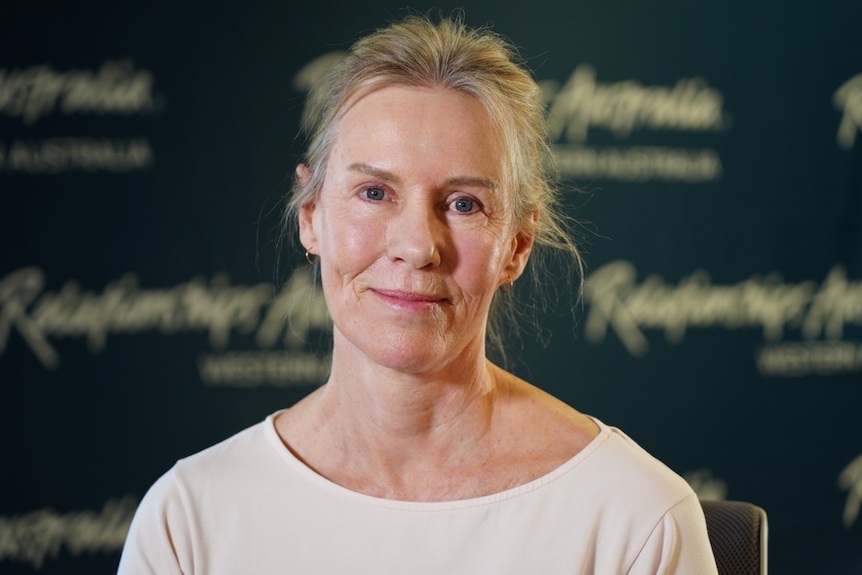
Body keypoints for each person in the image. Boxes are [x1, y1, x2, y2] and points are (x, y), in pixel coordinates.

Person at [118, 14, 718, 574]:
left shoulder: (634, 518)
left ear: (516, 245)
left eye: (464, 204)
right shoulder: (189, 519)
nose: (416, 246)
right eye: (375, 193)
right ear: (310, 216)